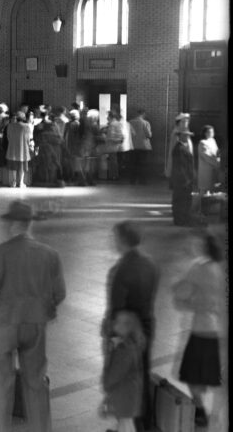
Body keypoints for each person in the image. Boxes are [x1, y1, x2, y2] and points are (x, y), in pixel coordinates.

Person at [0, 200, 66, 432]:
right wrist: (44, 309)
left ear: (14, 224)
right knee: (35, 382)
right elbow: (60, 293)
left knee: (2, 383)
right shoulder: (50, 254)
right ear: (28, 225)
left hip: (4, 324)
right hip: (35, 324)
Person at [102, 220, 159, 432]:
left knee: (123, 378)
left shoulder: (121, 270)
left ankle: (129, 425)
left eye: (114, 237)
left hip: (126, 330)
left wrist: (112, 336)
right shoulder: (150, 264)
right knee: (141, 374)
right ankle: (144, 422)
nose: (112, 241)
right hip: (147, 326)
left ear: (123, 240)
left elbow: (116, 307)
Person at [172, 230, 225, 428]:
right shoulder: (218, 268)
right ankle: (215, 414)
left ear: (202, 246)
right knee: (212, 376)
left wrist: (179, 291)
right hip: (218, 330)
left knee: (192, 376)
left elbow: (180, 295)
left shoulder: (198, 267)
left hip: (202, 330)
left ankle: (200, 411)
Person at [101, 310, 146, 432]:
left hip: (125, 396)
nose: (116, 324)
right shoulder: (128, 345)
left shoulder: (124, 350)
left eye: (122, 323)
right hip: (127, 395)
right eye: (117, 321)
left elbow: (115, 374)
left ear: (129, 328)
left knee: (126, 424)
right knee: (125, 423)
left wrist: (106, 384)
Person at [170, 127, 196, 226]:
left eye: (187, 135)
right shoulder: (179, 148)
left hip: (185, 179)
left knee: (184, 200)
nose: (187, 137)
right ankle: (180, 220)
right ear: (179, 136)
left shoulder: (182, 147)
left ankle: (183, 219)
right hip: (182, 180)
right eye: (185, 135)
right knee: (180, 200)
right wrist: (186, 180)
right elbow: (180, 166)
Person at [5, 112, 33, 188]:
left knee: (13, 166)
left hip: (12, 148)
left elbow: (8, 137)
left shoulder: (10, 126)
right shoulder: (27, 126)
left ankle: (13, 182)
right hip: (23, 149)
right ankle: (21, 182)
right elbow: (28, 139)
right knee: (22, 167)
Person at [127, 110, 152, 185]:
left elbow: (128, 133)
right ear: (143, 114)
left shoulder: (130, 122)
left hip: (133, 146)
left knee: (133, 164)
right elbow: (148, 135)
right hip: (143, 146)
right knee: (143, 164)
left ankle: (132, 180)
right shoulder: (145, 123)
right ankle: (142, 181)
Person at [164, 113, 193, 179]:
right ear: (179, 123)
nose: (186, 123)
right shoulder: (176, 132)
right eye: (184, 122)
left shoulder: (186, 130)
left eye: (187, 121)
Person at [197, 125, 220, 195]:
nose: (212, 133)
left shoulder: (213, 141)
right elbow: (207, 157)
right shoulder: (202, 143)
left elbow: (217, 152)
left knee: (212, 190)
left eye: (213, 132)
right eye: (210, 132)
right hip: (206, 170)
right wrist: (217, 163)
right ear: (205, 133)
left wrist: (218, 158)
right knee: (204, 190)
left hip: (213, 168)